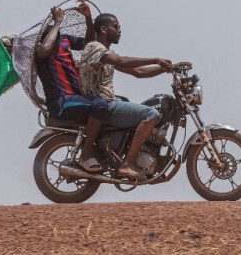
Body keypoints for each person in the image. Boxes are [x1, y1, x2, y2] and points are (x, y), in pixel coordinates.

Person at [78, 13, 192, 180]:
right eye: (116, 27)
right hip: (102, 103)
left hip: (109, 101)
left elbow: (138, 72)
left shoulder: (108, 53)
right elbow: (122, 61)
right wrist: (155, 59)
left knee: (140, 107)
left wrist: (169, 68)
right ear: (103, 29)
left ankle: (129, 153)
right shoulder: (94, 47)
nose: (120, 30)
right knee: (151, 114)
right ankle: (127, 164)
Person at [36, 0, 108, 173]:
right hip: (61, 102)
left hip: (76, 97)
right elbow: (45, 48)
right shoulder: (40, 53)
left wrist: (88, 19)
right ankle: (86, 154)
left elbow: (89, 44)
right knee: (100, 105)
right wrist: (58, 22)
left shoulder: (65, 40)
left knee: (116, 102)